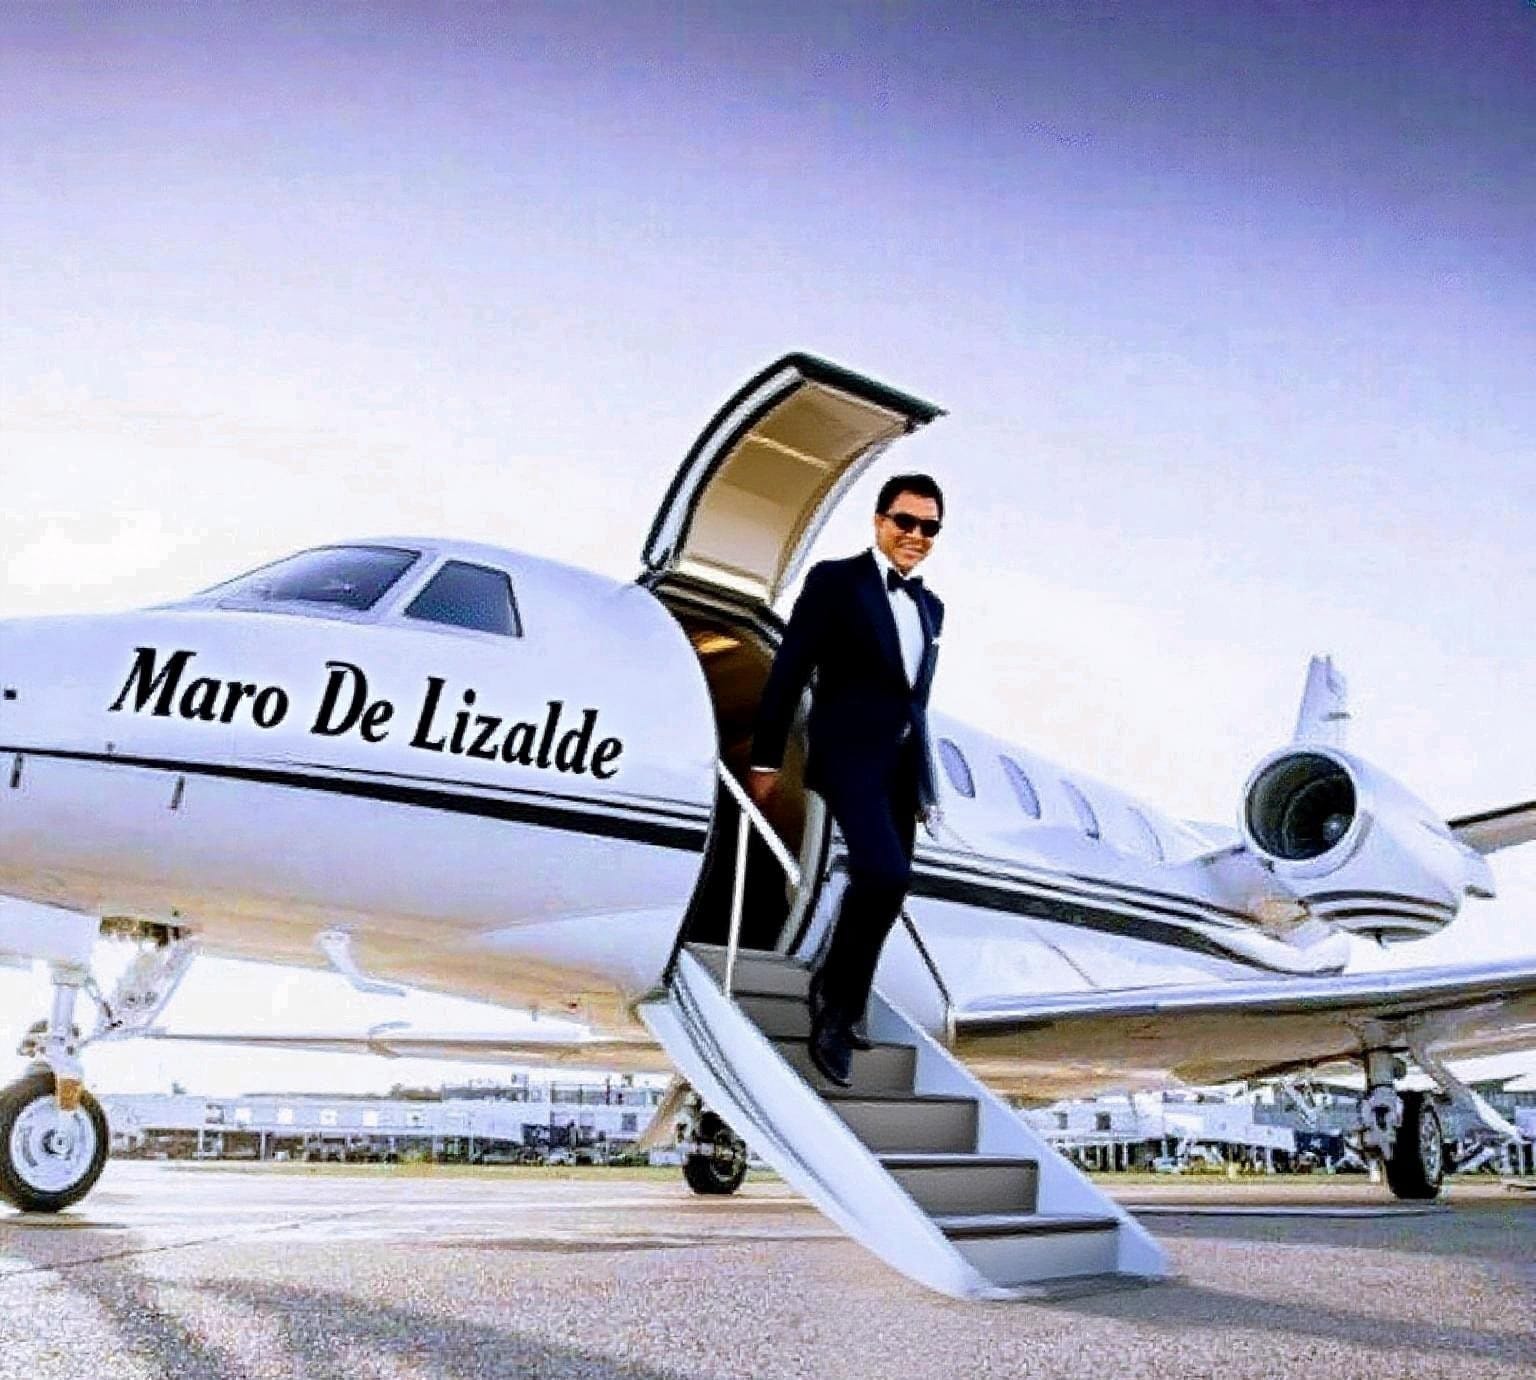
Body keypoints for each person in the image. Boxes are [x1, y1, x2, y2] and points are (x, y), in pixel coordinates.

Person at [747, 473, 946, 1087]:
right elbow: (789, 671)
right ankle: (833, 1008)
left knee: (891, 888)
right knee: (882, 874)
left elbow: (914, 699)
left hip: (902, 769)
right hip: (847, 756)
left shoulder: (932, 608)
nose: (915, 535)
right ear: (880, 521)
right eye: (905, 521)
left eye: (929, 527)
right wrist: (766, 759)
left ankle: (848, 997)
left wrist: (925, 782)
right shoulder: (836, 581)